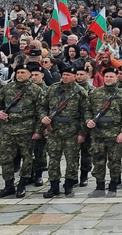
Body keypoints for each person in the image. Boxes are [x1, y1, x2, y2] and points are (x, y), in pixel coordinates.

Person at [0, 62, 45, 199]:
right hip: (8, 129)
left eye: (23, 72)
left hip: (26, 129)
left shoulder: (35, 90)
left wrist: (38, 131)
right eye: (17, 72)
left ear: (29, 74)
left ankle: (22, 184)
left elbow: (41, 112)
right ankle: (9, 185)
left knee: (27, 158)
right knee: (5, 158)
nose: (19, 75)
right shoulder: (7, 88)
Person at [40, 66, 88, 199]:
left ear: (74, 76)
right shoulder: (52, 89)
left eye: (68, 75)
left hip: (72, 132)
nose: (65, 77)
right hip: (54, 131)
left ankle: (69, 185)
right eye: (64, 75)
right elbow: (43, 106)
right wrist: (43, 117)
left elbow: (85, 114)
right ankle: (54, 186)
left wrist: (82, 133)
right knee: (53, 160)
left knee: (72, 160)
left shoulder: (80, 92)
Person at [84, 67, 122, 197]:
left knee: (114, 162)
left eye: (111, 77)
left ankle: (113, 187)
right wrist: (88, 120)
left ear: (116, 77)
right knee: (98, 161)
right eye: (106, 77)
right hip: (98, 133)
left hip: (115, 133)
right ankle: (99, 187)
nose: (108, 79)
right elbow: (87, 110)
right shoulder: (95, 93)